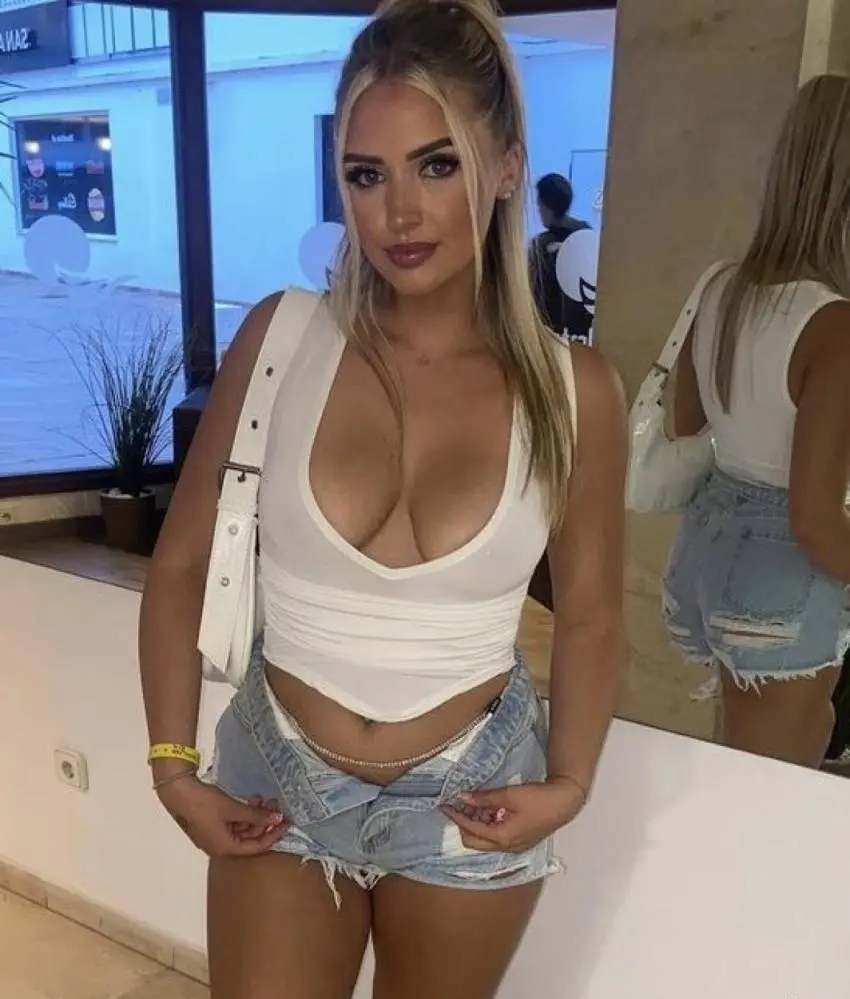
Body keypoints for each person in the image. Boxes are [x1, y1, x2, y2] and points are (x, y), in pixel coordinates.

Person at [139, 1, 627, 996]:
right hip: (278, 773)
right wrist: (172, 764)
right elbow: (181, 562)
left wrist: (571, 782)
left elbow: (590, 611)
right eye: (367, 175)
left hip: (471, 788)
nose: (398, 213)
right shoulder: (282, 339)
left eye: (435, 165)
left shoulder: (575, 391)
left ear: (505, 168)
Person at [663, 73, 850, 769]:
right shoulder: (833, 325)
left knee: (740, 768)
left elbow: (685, 419)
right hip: (782, 571)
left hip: (708, 547)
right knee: (769, 786)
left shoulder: (723, 286)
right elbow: (815, 519)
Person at [529, 173, 592, 342]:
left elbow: (531, 292)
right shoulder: (586, 234)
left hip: (549, 334)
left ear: (545, 206)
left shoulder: (539, 246)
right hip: (583, 335)